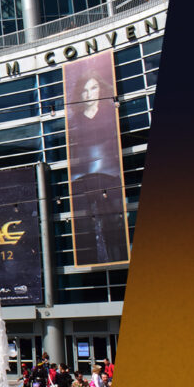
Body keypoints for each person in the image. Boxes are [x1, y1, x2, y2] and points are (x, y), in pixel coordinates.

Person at [66, 63, 130, 266]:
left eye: (93, 88)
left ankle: (119, 263)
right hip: (81, 181)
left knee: (115, 226)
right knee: (84, 229)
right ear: (80, 94)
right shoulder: (73, 122)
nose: (89, 94)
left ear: (101, 89)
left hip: (110, 177)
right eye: (85, 90)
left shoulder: (110, 115)